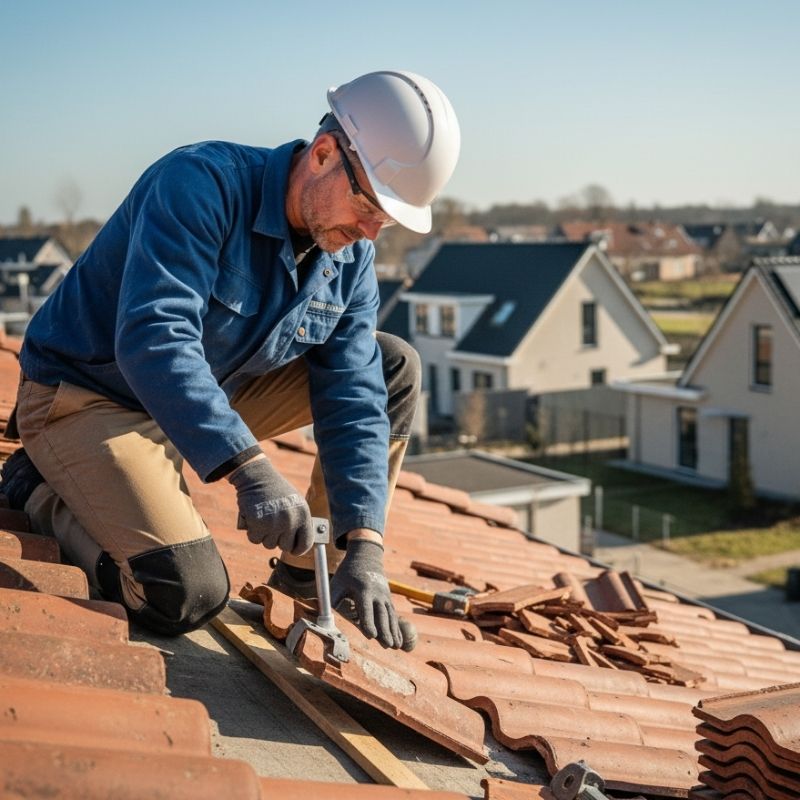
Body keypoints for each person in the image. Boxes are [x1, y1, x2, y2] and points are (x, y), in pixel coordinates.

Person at [0, 70, 460, 648]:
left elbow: (356, 392)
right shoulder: (200, 184)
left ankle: (307, 575)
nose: (371, 231)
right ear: (322, 155)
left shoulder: (350, 253)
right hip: (88, 398)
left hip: (200, 396)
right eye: (369, 203)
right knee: (182, 591)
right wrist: (250, 470)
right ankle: (34, 487)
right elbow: (154, 338)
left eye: (386, 221)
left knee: (392, 366)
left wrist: (365, 544)